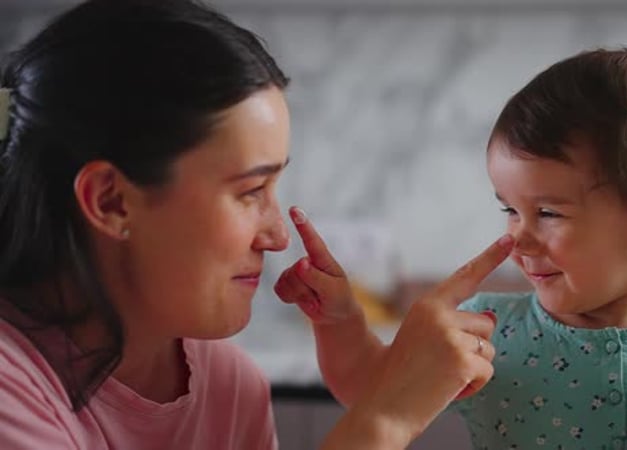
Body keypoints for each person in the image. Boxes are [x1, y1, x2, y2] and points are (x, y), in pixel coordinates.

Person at [0, 0, 512, 448]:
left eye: (273, 189)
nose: (277, 236)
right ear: (111, 202)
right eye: (250, 192)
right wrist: (386, 418)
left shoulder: (228, 383)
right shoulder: (11, 389)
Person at [276, 48, 627, 449]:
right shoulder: (484, 331)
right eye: (509, 208)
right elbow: (373, 390)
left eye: (548, 213)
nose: (518, 239)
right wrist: (339, 321)